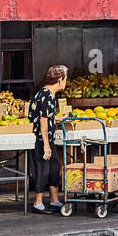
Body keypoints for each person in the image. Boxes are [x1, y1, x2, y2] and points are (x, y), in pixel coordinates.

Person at [28, 64, 68, 213]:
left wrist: (59, 117)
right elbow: (42, 120)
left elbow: (47, 116)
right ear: (60, 79)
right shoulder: (45, 95)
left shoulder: (49, 95)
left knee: (54, 167)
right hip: (40, 140)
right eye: (65, 79)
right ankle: (37, 204)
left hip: (47, 138)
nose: (66, 82)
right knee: (42, 170)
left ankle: (54, 199)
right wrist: (46, 145)